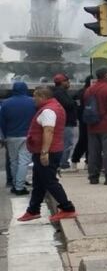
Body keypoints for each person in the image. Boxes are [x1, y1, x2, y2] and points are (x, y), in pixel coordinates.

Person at [17, 86, 77, 222]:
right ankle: (33, 210)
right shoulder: (55, 106)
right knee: (39, 182)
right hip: (47, 150)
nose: (34, 100)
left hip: (47, 151)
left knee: (50, 181)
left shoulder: (48, 110)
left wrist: (44, 152)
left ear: (42, 97)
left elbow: (48, 131)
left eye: (35, 97)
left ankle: (67, 208)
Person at [1, 81, 35, 195]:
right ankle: (20, 187)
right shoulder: (32, 102)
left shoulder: (5, 103)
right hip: (27, 135)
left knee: (14, 161)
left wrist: (4, 136)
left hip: (11, 136)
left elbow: (2, 122)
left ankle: (16, 184)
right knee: (24, 161)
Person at [52, 74, 78, 170]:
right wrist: (75, 102)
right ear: (62, 82)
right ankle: (63, 163)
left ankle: (62, 162)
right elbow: (68, 104)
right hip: (66, 122)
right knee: (67, 143)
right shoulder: (60, 93)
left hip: (65, 122)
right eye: (67, 81)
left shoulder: (59, 92)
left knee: (65, 143)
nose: (69, 83)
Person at [71, 76, 91, 170]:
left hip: (82, 119)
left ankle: (75, 160)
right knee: (90, 141)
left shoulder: (79, 92)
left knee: (82, 140)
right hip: (90, 119)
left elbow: (74, 104)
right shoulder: (90, 92)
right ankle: (87, 162)